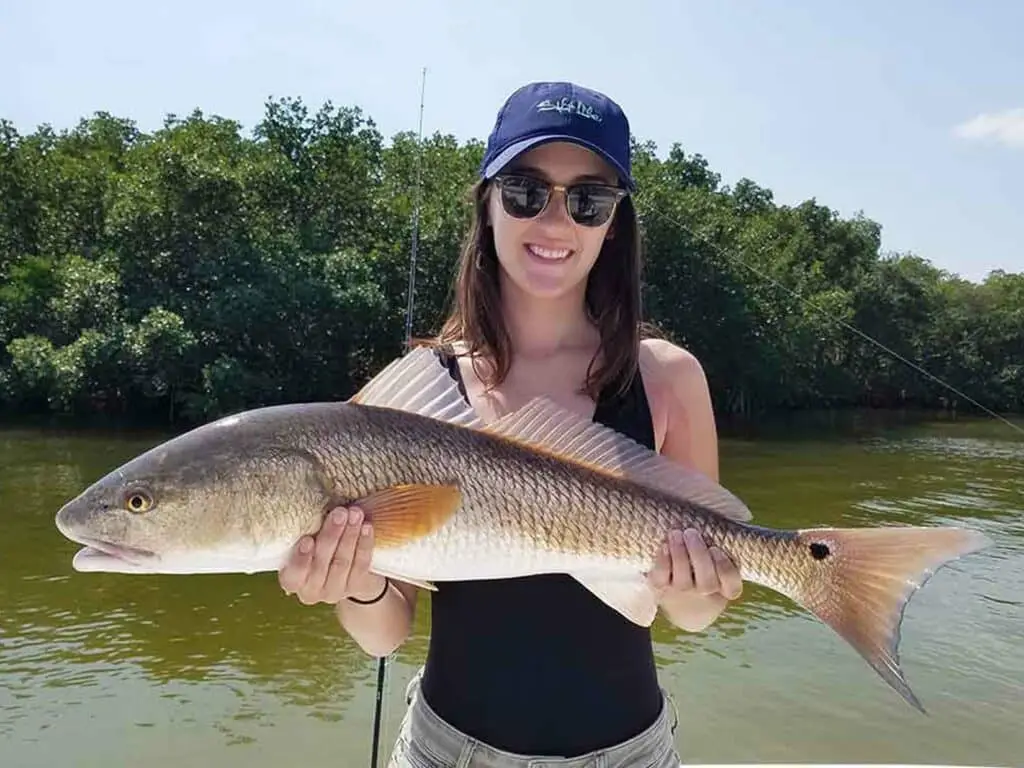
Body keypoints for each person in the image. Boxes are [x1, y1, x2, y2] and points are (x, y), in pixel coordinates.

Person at [278, 81, 745, 768]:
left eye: (587, 200)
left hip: (629, 755)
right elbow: (384, 635)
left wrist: (697, 588)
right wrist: (351, 579)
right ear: (488, 202)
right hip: (446, 751)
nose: (555, 224)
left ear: (614, 222)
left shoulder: (668, 377)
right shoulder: (412, 392)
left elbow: (694, 614)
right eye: (526, 191)